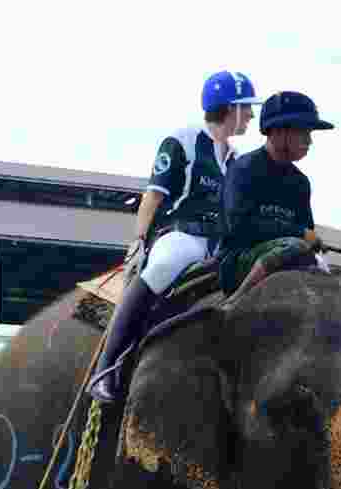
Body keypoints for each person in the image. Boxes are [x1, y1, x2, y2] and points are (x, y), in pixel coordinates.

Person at [87, 70, 262, 403]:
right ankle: (106, 369)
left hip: (218, 244)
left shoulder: (238, 159)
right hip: (183, 235)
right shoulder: (183, 139)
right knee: (165, 265)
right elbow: (153, 195)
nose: (251, 115)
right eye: (246, 108)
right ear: (229, 108)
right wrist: (138, 240)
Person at [218, 91, 334, 308]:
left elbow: (305, 234)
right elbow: (240, 227)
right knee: (295, 245)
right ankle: (235, 300)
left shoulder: (300, 183)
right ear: (278, 131)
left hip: (288, 255)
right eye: (303, 132)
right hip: (237, 262)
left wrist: (312, 240)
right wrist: (301, 234)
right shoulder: (243, 169)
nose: (309, 141)